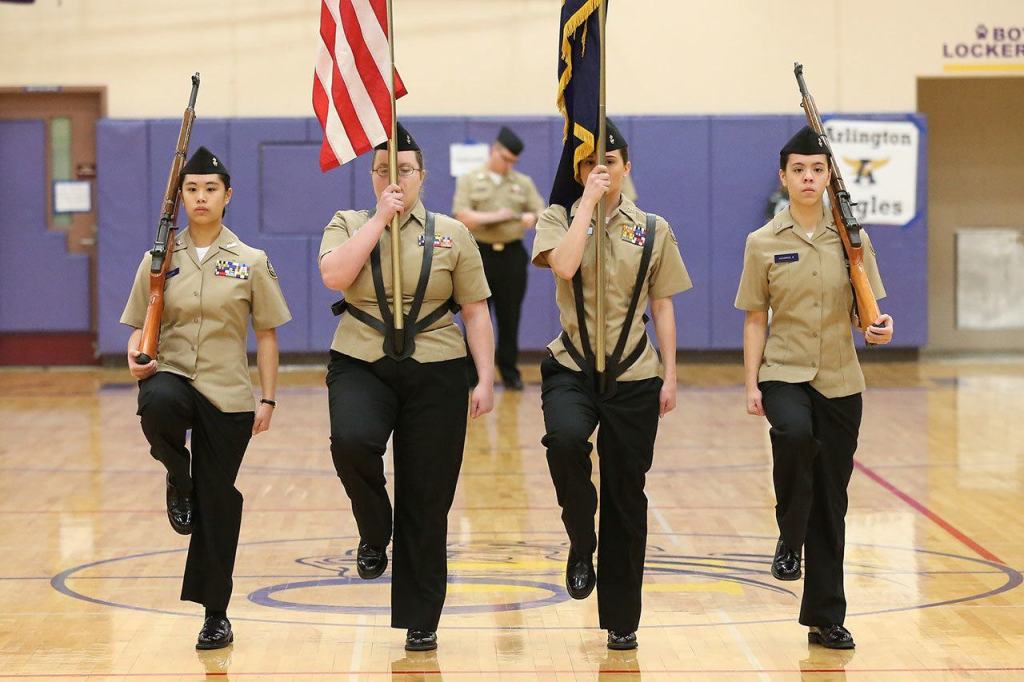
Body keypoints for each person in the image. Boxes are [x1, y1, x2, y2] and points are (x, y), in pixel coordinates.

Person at [318, 122, 495, 652]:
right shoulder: (348, 221)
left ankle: (422, 619)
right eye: (382, 171)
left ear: (423, 175)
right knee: (351, 444)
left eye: (405, 170)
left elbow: (475, 310)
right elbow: (334, 276)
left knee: (428, 494)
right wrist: (379, 219)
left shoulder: (452, 232)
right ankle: (375, 529)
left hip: (437, 367)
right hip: (361, 360)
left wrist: (484, 376)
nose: (394, 178)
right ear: (371, 176)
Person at [121, 146, 291, 650]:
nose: (200, 197)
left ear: (227, 196)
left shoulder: (251, 261)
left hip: (228, 395)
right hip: (172, 375)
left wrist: (268, 400)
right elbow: (136, 326)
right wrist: (137, 357)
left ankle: (215, 613)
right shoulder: (157, 258)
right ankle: (178, 476)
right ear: (181, 196)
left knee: (218, 501)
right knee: (157, 403)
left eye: (210, 189)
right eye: (192, 189)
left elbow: (267, 336)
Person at [532, 120, 692, 650]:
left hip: (634, 374)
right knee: (565, 441)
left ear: (628, 166)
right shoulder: (557, 217)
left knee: (627, 495)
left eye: (612, 162)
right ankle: (582, 541)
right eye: (588, 163)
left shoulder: (653, 227)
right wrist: (586, 204)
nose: (601, 170)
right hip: (572, 366)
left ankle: (622, 619)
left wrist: (670, 374)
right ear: (578, 170)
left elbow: (663, 303)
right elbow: (565, 265)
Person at [735, 126, 894, 649]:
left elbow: (864, 311)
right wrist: (751, 382)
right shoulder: (762, 242)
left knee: (833, 498)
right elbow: (755, 318)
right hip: (783, 371)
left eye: (817, 170)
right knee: (795, 436)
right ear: (783, 176)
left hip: (842, 379)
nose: (808, 178)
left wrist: (877, 327)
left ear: (829, 178)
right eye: (799, 169)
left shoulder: (854, 239)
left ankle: (826, 616)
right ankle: (790, 529)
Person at [452, 126, 545, 390]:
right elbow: (462, 216)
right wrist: (497, 216)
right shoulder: (470, 179)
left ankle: (509, 371)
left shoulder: (522, 182)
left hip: (512, 255)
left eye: (513, 161)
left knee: (510, 316)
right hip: (478, 255)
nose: (508, 165)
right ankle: (472, 374)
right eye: (504, 158)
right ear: (494, 150)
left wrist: (532, 217)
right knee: (474, 313)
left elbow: (542, 211)